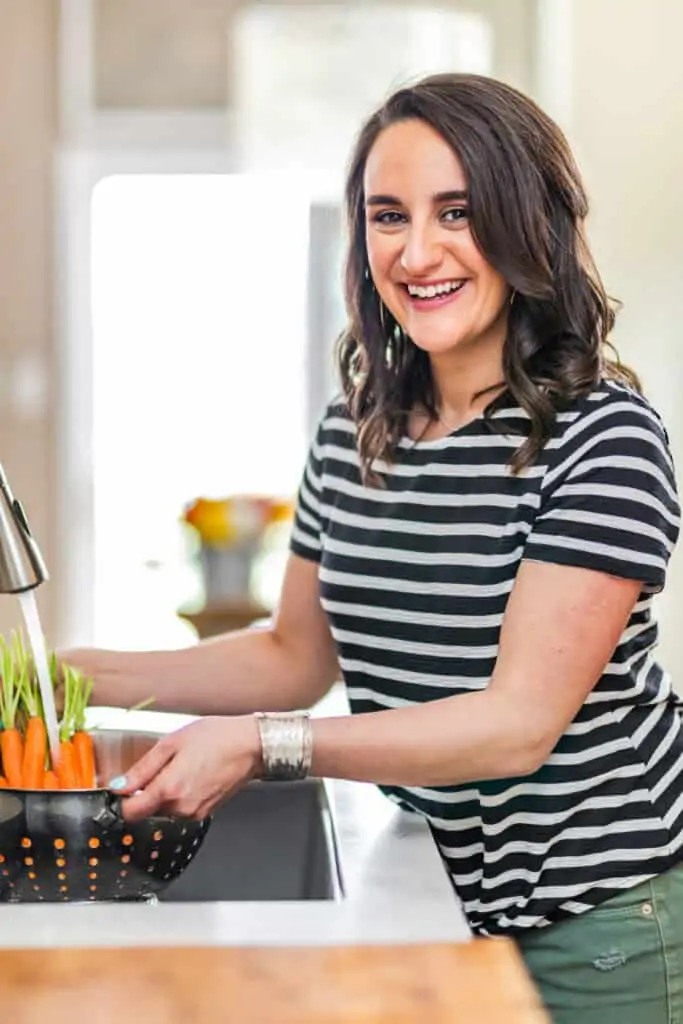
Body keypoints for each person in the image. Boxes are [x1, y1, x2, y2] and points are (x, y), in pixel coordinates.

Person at [63, 74, 683, 1022]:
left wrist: (264, 751)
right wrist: (64, 673)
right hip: (438, 895)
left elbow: (516, 725)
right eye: (387, 215)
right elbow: (292, 658)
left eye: (458, 212)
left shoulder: (602, 436)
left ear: (530, 226)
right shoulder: (357, 432)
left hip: (599, 926)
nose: (417, 250)